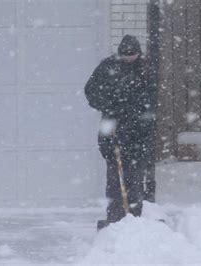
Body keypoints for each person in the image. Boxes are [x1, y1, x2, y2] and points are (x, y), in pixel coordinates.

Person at [84, 35, 156, 228]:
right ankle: (115, 220)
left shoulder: (147, 69)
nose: (128, 59)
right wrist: (109, 106)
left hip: (138, 132)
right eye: (125, 55)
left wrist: (137, 116)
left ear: (138, 54)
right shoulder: (107, 67)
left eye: (132, 55)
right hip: (113, 129)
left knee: (134, 178)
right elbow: (91, 91)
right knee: (115, 179)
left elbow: (151, 98)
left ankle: (135, 220)